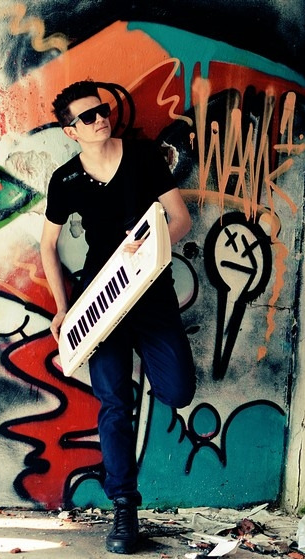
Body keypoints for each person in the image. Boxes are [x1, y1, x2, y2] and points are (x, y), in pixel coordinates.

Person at [40, 80, 196, 555]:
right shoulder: (66, 179)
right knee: (113, 404)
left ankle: (127, 498)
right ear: (71, 131)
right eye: (87, 117)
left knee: (177, 390)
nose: (100, 119)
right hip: (100, 298)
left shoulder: (145, 157)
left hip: (150, 290)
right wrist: (63, 307)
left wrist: (148, 244)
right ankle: (124, 509)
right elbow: (47, 245)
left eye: (102, 110)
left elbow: (181, 219)